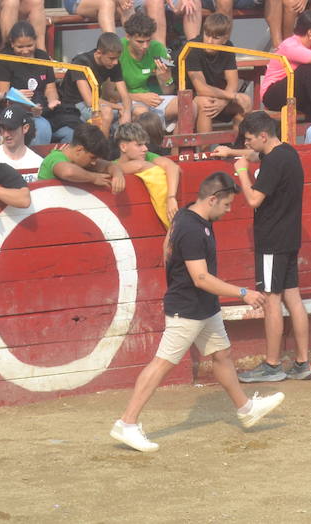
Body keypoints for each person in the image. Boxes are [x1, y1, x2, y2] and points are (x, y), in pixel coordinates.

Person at [111, 170, 282, 453]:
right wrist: (243, 293)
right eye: (226, 205)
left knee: (221, 354)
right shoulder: (192, 229)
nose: (228, 211)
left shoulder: (189, 215)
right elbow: (200, 277)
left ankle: (245, 408)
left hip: (203, 305)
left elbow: (166, 247)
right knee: (163, 363)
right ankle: (127, 423)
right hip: (188, 308)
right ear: (213, 199)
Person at [228, 111, 311, 383]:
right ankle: (302, 362)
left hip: (272, 240)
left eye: (251, 139)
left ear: (263, 136)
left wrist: (242, 173)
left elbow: (253, 199)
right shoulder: (287, 152)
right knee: (293, 298)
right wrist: (233, 151)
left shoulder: (274, 162)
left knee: (271, 300)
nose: (248, 144)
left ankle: (273, 365)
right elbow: (256, 155)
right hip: (289, 236)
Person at [0, 22, 70, 143]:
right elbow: (2, 95)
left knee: (70, 132)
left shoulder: (42, 56)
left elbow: (50, 88)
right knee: (41, 128)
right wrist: (20, 99)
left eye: (29, 45)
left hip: (43, 108)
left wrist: (52, 101)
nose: (25, 51)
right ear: (12, 43)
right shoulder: (3, 59)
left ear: (35, 41)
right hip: (15, 111)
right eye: (20, 47)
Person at [186, 14, 251, 134]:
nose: (209, 41)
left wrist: (223, 102)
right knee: (206, 103)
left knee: (245, 102)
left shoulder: (228, 47)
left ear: (225, 39)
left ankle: (238, 148)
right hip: (187, 99)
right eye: (207, 35)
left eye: (215, 38)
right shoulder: (192, 48)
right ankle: (206, 152)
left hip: (215, 97)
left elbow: (233, 83)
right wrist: (233, 96)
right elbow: (201, 89)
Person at [118, 12, 178, 124]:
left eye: (148, 40)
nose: (145, 46)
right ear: (128, 37)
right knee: (143, 114)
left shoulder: (158, 48)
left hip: (152, 99)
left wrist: (166, 78)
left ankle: (177, 141)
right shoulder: (118, 50)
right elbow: (111, 94)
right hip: (126, 101)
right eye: (140, 42)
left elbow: (168, 91)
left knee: (187, 106)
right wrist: (140, 97)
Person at [36, 122, 125, 193]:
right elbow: (68, 172)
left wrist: (117, 174)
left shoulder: (84, 161)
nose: (94, 163)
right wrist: (93, 178)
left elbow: (109, 165)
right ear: (79, 150)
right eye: (92, 157)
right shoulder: (55, 157)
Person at [0, 103, 43, 182]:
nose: (6, 134)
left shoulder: (38, 163)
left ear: (25, 128)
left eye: (11, 128)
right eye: (2, 128)